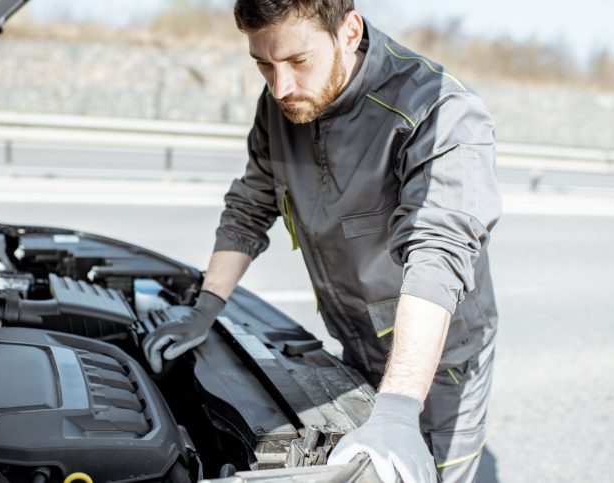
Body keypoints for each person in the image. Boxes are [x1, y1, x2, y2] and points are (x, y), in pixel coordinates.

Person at [143, 1, 501, 482]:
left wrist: (397, 409)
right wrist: (205, 309)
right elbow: (250, 207)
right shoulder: (282, 105)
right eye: (263, 65)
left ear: (349, 32)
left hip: (438, 364)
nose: (280, 86)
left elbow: (436, 258)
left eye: (297, 61)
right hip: (356, 344)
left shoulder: (438, 113)